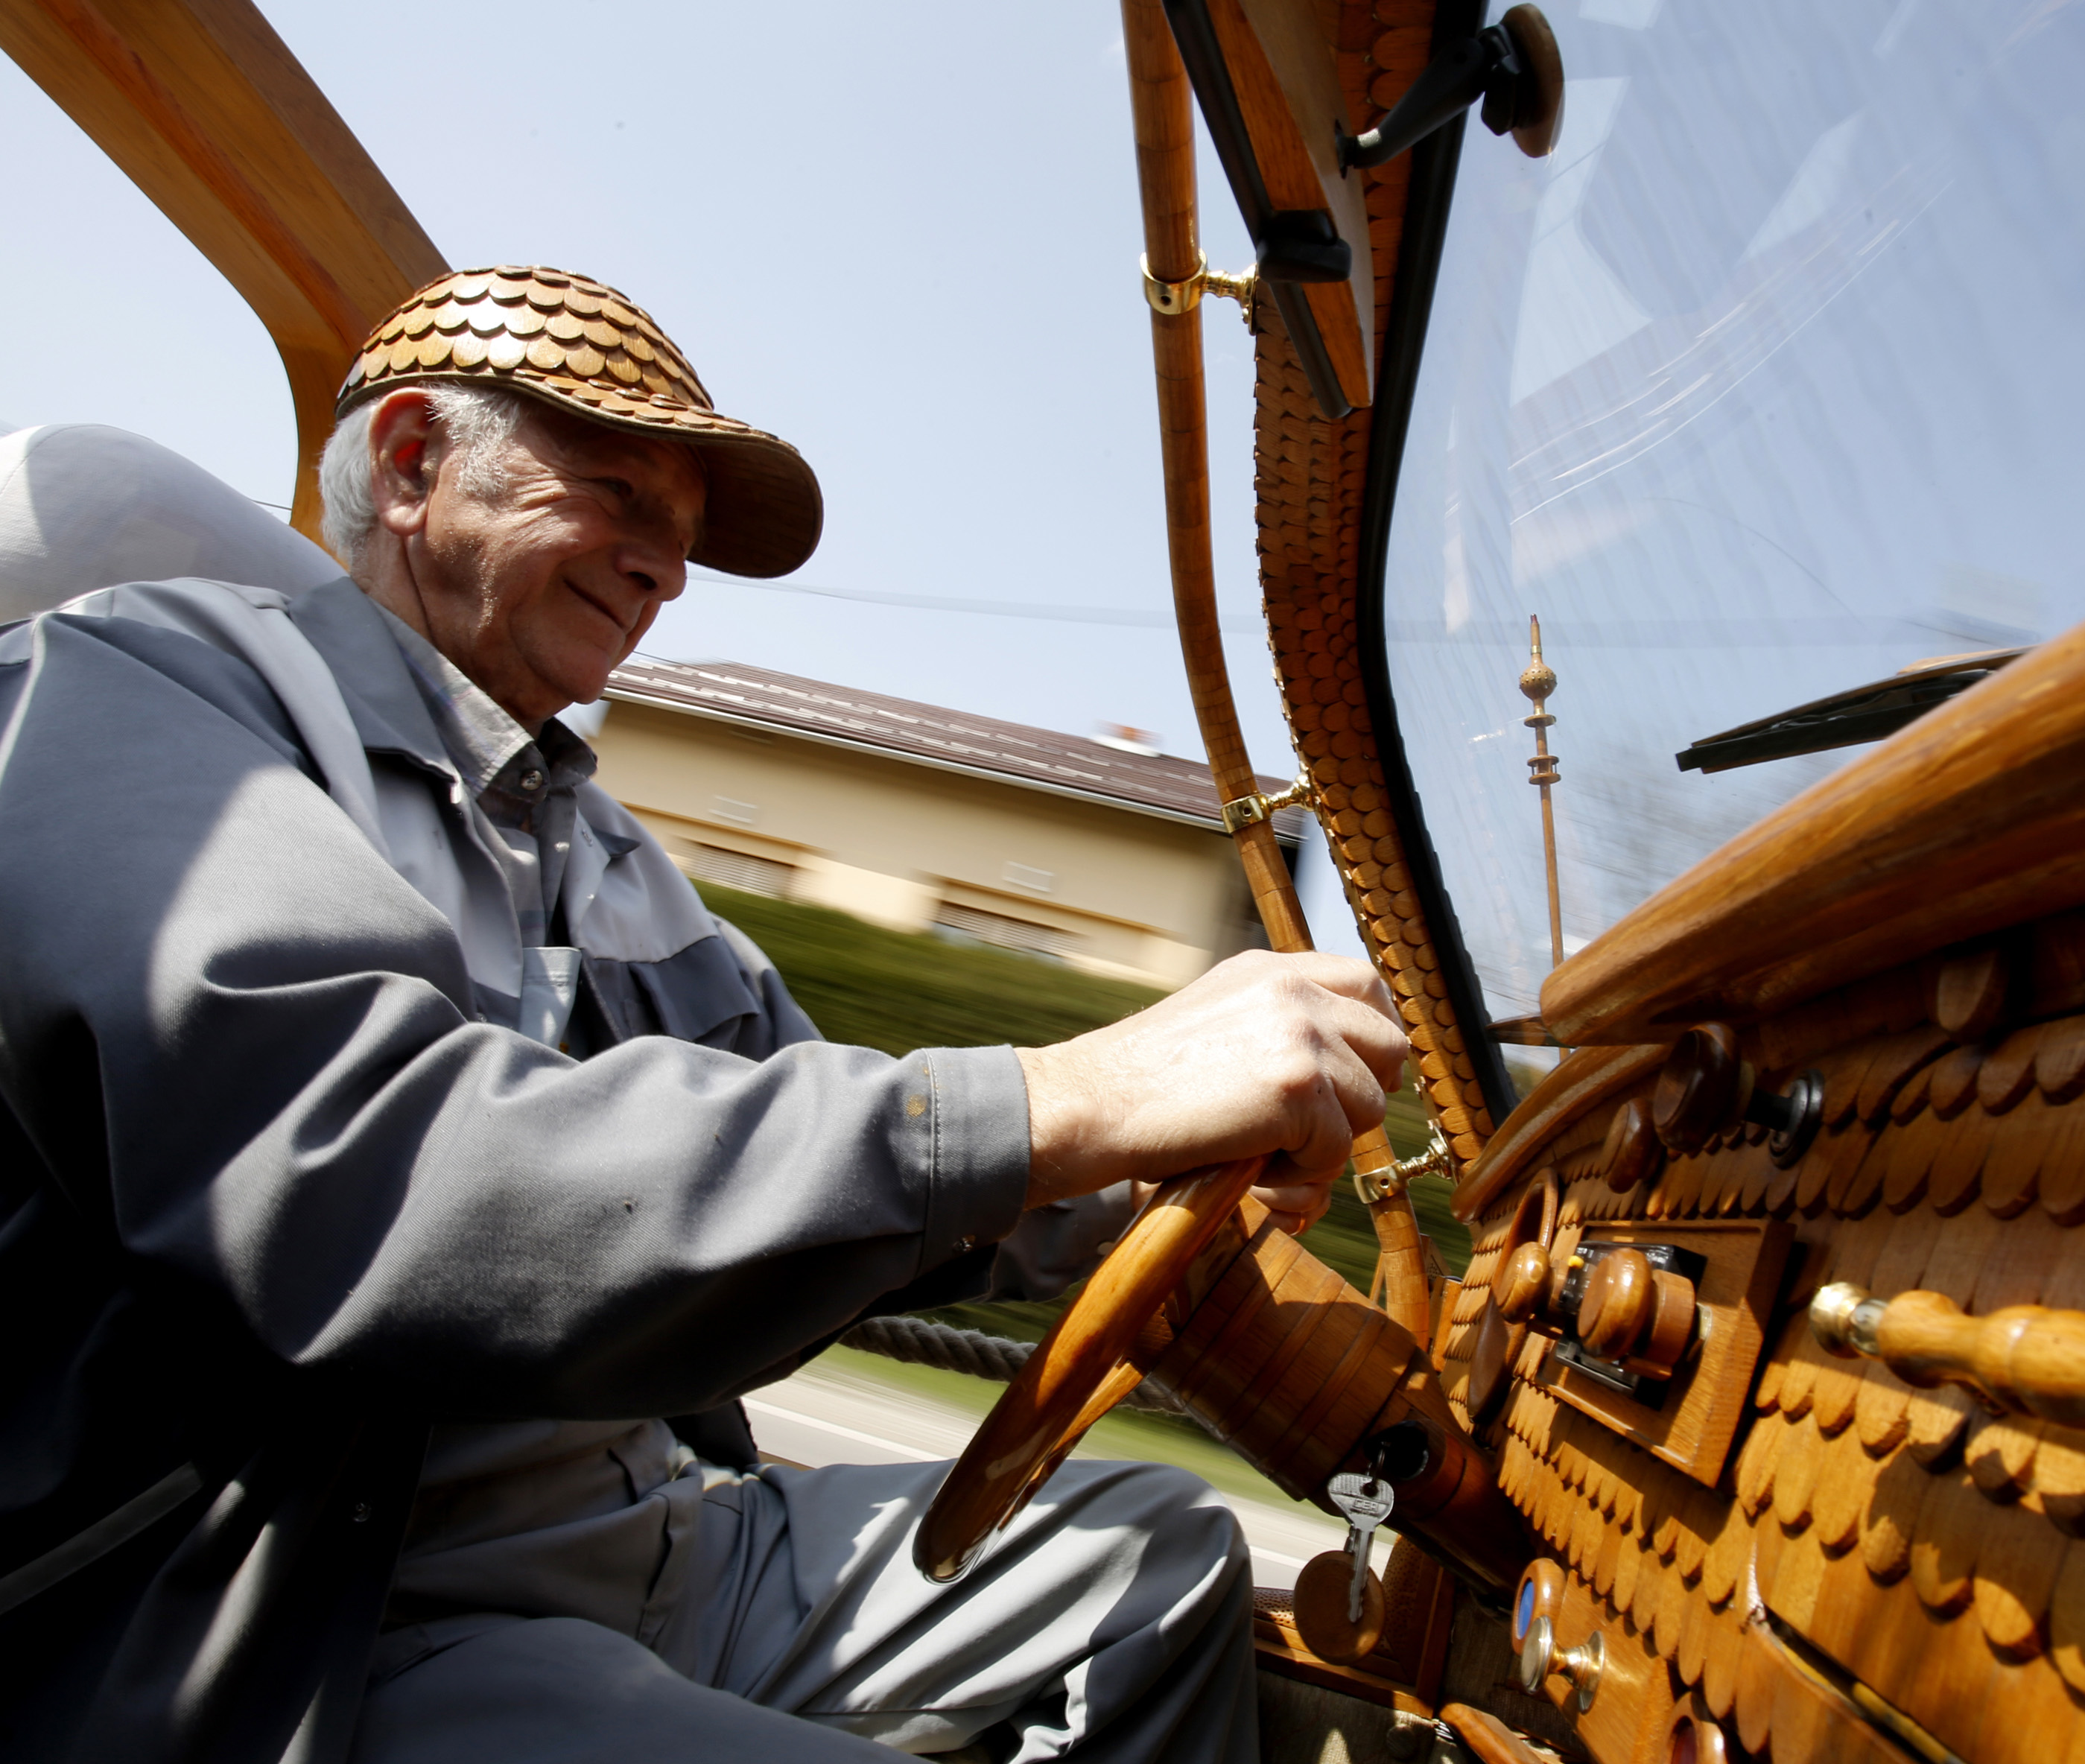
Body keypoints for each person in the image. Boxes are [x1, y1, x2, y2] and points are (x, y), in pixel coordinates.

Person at [0, 267, 1406, 1764]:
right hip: (352, 1595)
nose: (664, 572)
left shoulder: (594, 850)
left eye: (682, 539)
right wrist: (1067, 1095)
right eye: (618, 495)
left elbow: (823, 1128)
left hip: (652, 1527)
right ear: (411, 465)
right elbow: (375, 1176)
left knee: (1158, 1550)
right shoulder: (131, 694)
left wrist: (1146, 1172)